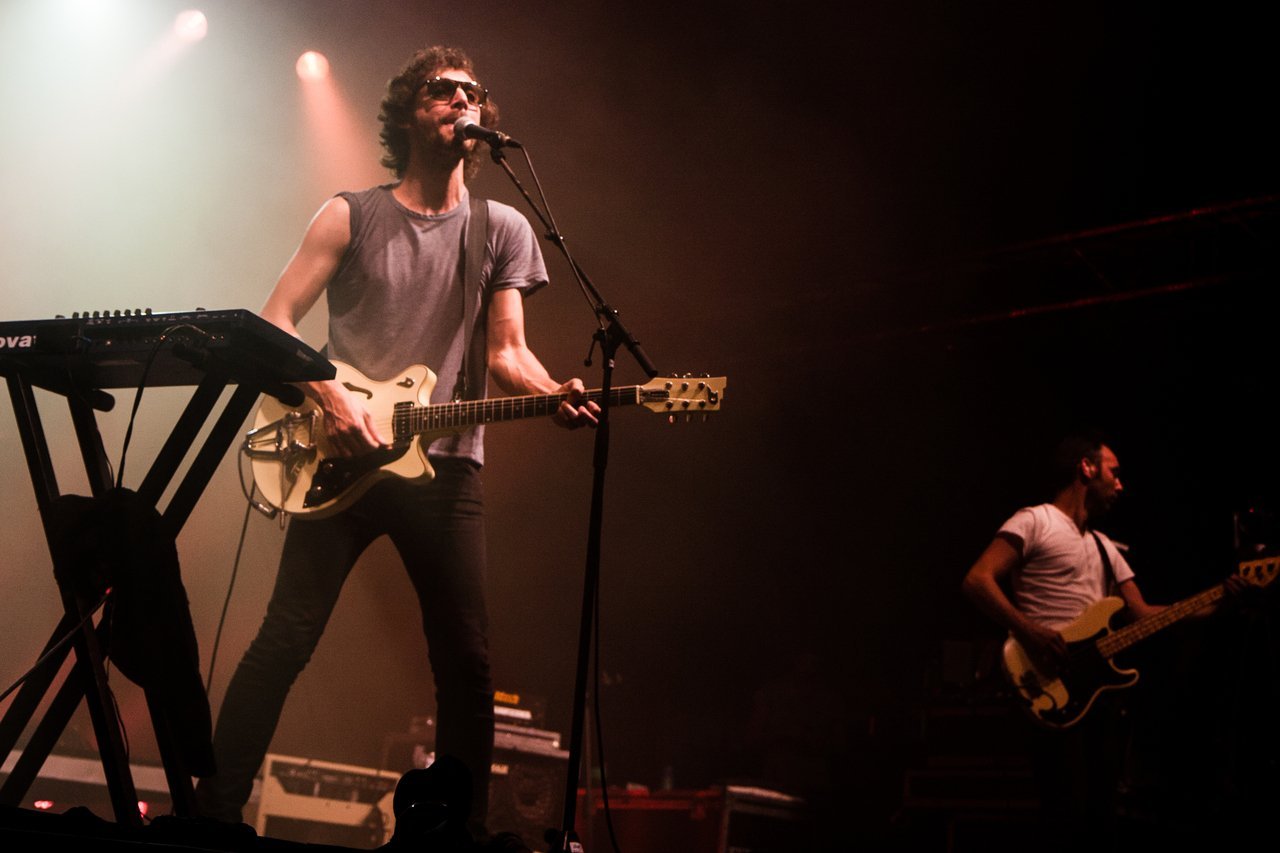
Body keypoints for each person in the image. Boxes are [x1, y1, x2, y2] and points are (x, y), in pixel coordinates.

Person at [195, 45, 598, 846]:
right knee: (286, 637)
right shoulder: (349, 213)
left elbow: (507, 353)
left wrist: (552, 390)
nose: (461, 101)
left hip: (444, 467)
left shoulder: (502, 227)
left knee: (466, 661)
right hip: (338, 456)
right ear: (408, 114)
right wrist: (330, 396)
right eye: (442, 91)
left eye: (471, 92)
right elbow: (273, 320)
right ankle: (211, 813)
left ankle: (458, 832)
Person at [961, 431, 1241, 846]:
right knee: (1065, 814)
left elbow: (1143, 614)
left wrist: (1219, 602)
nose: (1121, 485)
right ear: (1086, 468)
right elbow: (978, 580)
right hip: (1048, 681)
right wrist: (1031, 631)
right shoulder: (1034, 520)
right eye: (1115, 472)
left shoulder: (1105, 546)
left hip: (1097, 694)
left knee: (1102, 816)